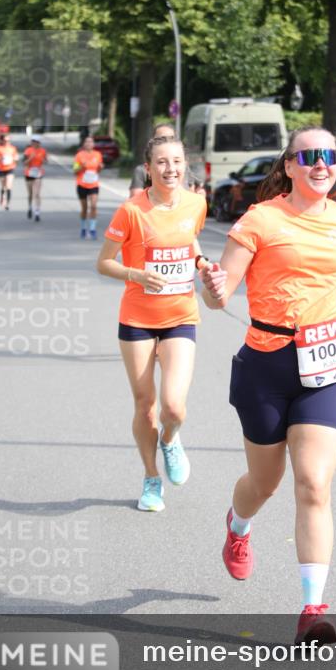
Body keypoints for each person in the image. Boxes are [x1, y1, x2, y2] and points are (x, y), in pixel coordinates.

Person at [201, 126, 336, 643]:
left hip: (326, 361)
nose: (320, 164)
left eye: (329, 155)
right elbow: (223, 295)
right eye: (309, 156)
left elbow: (328, 283)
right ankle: (238, 527)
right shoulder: (260, 220)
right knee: (264, 483)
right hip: (267, 362)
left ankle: (313, 609)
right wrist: (213, 287)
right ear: (289, 166)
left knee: (314, 483)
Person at [97, 134, 208, 513]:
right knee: (146, 405)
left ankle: (171, 440)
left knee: (173, 408)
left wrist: (201, 263)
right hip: (137, 319)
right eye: (162, 162)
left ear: (185, 165)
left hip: (180, 315)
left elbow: (190, 241)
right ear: (148, 168)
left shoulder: (196, 203)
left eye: (177, 161)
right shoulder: (131, 210)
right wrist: (137, 275)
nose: (170, 169)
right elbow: (104, 263)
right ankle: (151, 478)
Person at [129, 123, 205, 198]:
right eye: (161, 139)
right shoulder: (141, 171)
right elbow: (136, 198)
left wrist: (198, 195)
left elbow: (191, 196)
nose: (171, 169)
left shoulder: (183, 169)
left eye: (171, 138)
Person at [73, 135, 103, 239]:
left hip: (94, 184)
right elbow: (75, 171)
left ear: (93, 144)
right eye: (87, 142)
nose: (89, 144)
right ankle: (83, 228)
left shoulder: (98, 154)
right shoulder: (79, 155)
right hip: (82, 184)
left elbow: (98, 170)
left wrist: (100, 167)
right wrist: (82, 166)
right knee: (84, 208)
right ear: (84, 144)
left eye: (91, 142)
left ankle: (93, 229)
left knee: (94, 206)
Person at [22, 135, 48, 221]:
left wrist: (43, 160)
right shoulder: (28, 150)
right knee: (30, 194)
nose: (34, 143)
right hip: (28, 173)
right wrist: (30, 158)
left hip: (38, 173)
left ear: (39, 143)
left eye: (36, 142)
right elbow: (24, 163)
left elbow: (46, 161)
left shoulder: (43, 151)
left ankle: (37, 212)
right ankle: (30, 207)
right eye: (33, 141)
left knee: (37, 193)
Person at [0, 132, 19, 209]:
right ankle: (2, 196)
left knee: (9, 186)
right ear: (2, 141)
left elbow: (16, 157)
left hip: (10, 169)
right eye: (5, 140)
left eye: (8, 141)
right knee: (3, 186)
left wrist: (15, 159)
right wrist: (1, 158)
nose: (7, 142)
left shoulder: (13, 148)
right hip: (1, 169)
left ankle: (7, 204)